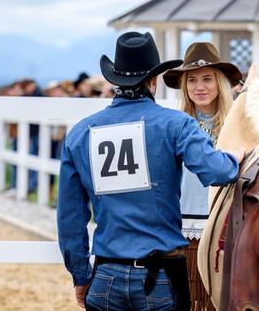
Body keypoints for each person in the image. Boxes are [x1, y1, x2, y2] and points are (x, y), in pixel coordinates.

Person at [57, 32, 244, 310]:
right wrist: (233, 158)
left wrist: (81, 275)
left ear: (115, 80)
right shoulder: (175, 124)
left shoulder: (81, 133)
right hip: (162, 273)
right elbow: (217, 172)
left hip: (106, 272)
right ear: (153, 81)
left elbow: (70, 218)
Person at [163, 42, 242, 220]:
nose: (199, 87)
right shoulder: (174, 126)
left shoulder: (235, 124)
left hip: (226, 224)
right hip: (182, 225)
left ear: (219, 83)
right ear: (185, 86)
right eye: (192, 80)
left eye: (207, 79)